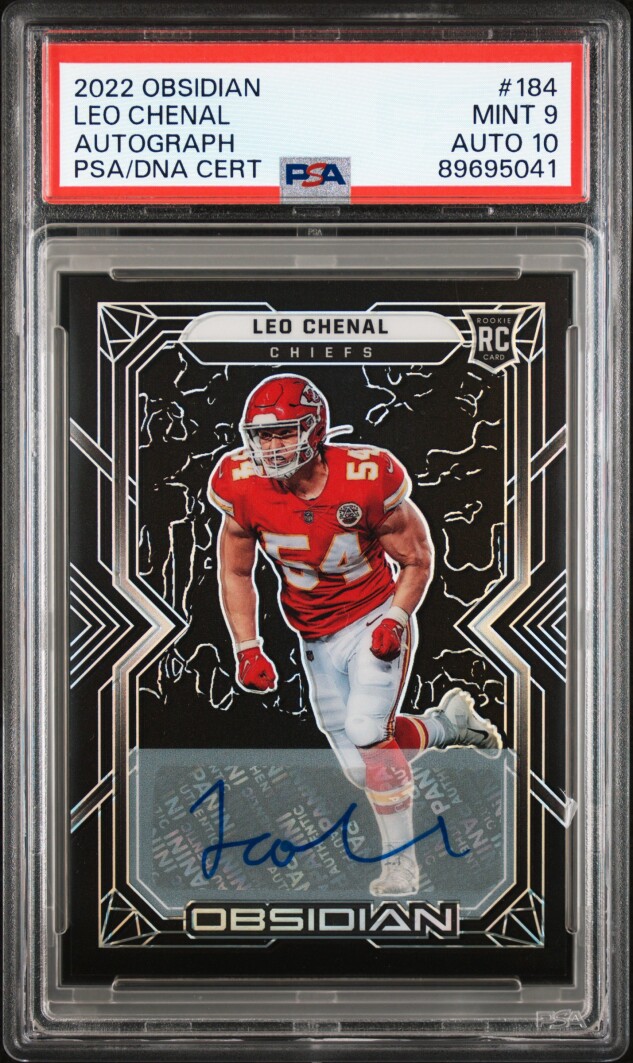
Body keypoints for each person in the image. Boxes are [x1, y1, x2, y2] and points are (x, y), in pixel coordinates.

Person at [208, 373, 501, 896]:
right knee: (361, 767)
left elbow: (417, 559)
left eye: (284, 432)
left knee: (368, 733)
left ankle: (402, 866)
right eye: (262, 435)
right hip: (312, 635)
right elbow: (234, 571)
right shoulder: (241, 482)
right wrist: (247, 647)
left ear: (315, 429)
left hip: (371, 616)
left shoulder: (365, 475)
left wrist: (396, 618)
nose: (271, 447)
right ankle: (446, 725)